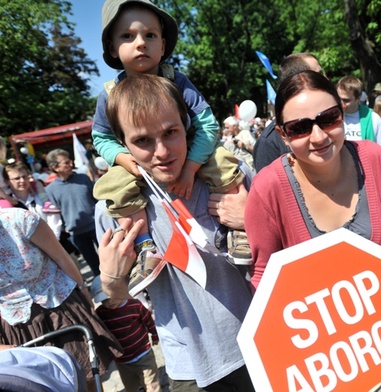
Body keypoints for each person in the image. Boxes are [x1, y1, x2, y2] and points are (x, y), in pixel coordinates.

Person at [96, 73, 254, 391]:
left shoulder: (232, 179)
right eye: (142, 140)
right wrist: (112, 282)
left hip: (261, 342)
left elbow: (280, 251)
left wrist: (249, 219)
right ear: (122, 144)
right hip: (191, 369)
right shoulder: (113, 208)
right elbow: (119, 298)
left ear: (186, 126)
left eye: (171, 133)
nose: (161, 151)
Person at [92, 0, 250, 287]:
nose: (140, 43)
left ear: (163, 46)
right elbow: (100, 137)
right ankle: (145, 246)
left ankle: (238, 229)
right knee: (113, 186)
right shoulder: (109, 96)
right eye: (127, 36)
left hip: (194, 153)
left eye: (149, 35)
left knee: (223, 161)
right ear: (112, 48)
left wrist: (191, 167)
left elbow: (206, 124)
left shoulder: (178, 81)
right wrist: (121, 158)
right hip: (135, 166)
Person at [245, 70, 381, 288]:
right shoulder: (267, 188)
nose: (319, 137)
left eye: (329, 118)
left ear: (342, 115)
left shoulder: (374, 158)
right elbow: (264, 275)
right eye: (300, 128)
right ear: (283, 135)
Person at [0, 208, 122, 391]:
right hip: (16, 323)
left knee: (84, 375)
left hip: (59, 305)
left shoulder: (19, 219)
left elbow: (62, 257)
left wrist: (84, 293)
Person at [253, 52, 323, 172]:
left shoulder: (331, 119)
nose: (319, 138)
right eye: (319, 75)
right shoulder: (269, 143)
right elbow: (269, 188)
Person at [91, 276, 161, 392]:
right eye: (103, 301)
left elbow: (148, 320)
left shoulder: (134, 305)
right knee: (131, 387)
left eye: (109, 298)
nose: (108, 303)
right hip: (123, 362)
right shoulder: (101, 313)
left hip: (143, 354)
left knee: (152, 386)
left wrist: (154, 334)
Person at [45, 149, 101, 277]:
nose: (71, 164)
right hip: (76, 234)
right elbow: (55, 215)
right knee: (94, 266)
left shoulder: (83, 178)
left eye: (70, 160)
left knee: (111, 260)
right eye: (66, 162)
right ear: (55, 167)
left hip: (96, 226)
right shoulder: (50, 190)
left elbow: (97, 199)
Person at [2, 161, 62, 238]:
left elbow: (54, 219)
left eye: (24, 177)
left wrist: (53, 242)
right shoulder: (6, 204)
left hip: (52, 241)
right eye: (17, 178)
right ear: (7, 182)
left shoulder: (42, 195)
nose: (22, 181)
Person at [336, 76, 381, 145]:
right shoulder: (332, 116)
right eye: (338, 98)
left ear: (358, 98)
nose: (340, 103)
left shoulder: (373, 119)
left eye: (346, 100)